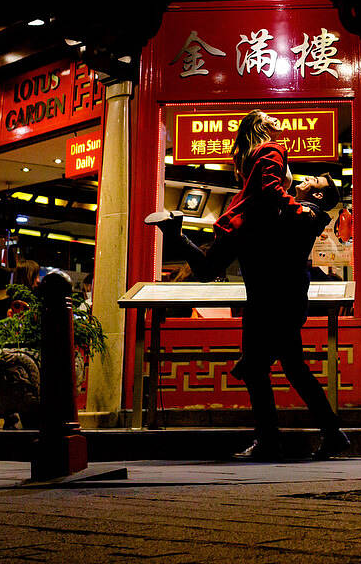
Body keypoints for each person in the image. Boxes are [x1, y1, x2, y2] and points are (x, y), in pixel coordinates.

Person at [146, 109, 350, 460]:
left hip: (277, 301)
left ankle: (278, 438)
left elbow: (273, 212)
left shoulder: (308, 215)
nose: (305, 181)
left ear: (318, 198)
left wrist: (262, 206)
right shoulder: (289, 208)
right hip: (268, 298)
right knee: (292, 369)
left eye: (313, 184)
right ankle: (323, 434)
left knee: (267, 369)